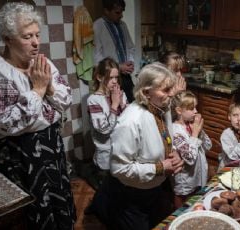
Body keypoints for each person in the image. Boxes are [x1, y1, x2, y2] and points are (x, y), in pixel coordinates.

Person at [0, 2, 76, 229]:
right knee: (32, 212)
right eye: (27, 36)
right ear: (8, 39)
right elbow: (3, 122)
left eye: (37, 35)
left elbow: (65, 99)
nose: (36, 42)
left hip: (50, 147)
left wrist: (48, 88)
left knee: (58, 204)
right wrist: (38, 90)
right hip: (19, 154)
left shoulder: (42, 63)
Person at [107, 62, 184, 230]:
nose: (172, 94)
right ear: (146, 92)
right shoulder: (130, 121)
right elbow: (119, 169)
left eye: (172, 88)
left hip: (157, 188)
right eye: (165, 90)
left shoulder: (162, 108)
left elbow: (166, 139)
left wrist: (175, 153)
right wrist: (160, 167)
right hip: (133, 195)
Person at [85, 57, 127, 216]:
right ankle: (98, 209)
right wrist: (115, 106)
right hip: (106, 153)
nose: (115, 82)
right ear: (100, 77)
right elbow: (103, 129)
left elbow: (127, 121)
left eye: (117, 77)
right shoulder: (94, 100)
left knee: (117, 188)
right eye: (111, 78)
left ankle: (100, 208)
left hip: (122, 149)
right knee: (107, 187)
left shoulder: (119, 95)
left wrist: (123, 105)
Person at [170, 90, 212, 208]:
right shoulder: (175, 131)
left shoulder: (191, 125)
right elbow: (189, 158)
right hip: (185, 181)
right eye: (191, 108)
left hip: (197, 176)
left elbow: (208, 146)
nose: (196, 111)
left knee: (195, 203)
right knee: (183, 205)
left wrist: (200, 131)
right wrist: (195, 134)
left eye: (196, 107)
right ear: (179, 111)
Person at [93, 0, 135, 102]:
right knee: (115, 107)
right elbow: (96, 56)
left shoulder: (122, 25)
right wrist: (119, 67)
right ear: (106, 11)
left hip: (126, 76)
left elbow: (130, 47)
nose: (121, 15)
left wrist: (130, 63)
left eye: (122, 12)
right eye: (117, 12)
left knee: (133, 104)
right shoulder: (97, 26)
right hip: (109, 77)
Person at [219, 103, 240, 169]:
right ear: (229, 117)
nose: (239, 119)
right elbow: (233, 157)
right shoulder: (226, 134)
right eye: (235, 115)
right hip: (228, 169)